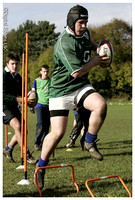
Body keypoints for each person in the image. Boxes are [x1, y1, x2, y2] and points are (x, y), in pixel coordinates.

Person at [35, 5, 108, 189]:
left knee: (100, 105)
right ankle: (40, 166)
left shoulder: (84, 32)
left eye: (86, 22)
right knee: (58, 133)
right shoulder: (64, 43)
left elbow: (88, 41)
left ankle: (89, 142)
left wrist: (100, 48)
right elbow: (77, 72)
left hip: (81, 86)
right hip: (60, 90)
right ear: (71, 22)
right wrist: (96, 60)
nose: (84, 26)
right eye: (81, 23)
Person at [3, 52, 37, 164]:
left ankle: (8, 149)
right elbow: (3, 95)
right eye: (12, 64)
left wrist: (29, 97)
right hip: (3, 107)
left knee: (24, 130)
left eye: (16, 64)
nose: (15, 66)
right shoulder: (3, 75)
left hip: (13, 107)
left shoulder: (18, 77)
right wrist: (20, 100)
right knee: (17, 126)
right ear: (7, 64)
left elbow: (21, 92)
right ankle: (25, 153)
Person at [31, 65, 51, 150]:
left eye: (47, 71)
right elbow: (32, 93)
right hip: (39, 104)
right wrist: (32, 105)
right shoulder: (36, 81)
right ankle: (37, 142)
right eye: (44, 71)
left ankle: (43, 143)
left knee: (47, 125)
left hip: (49, 105)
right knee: (41, 123)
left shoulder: (51, 81)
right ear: (41, 72)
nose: (46, 73)